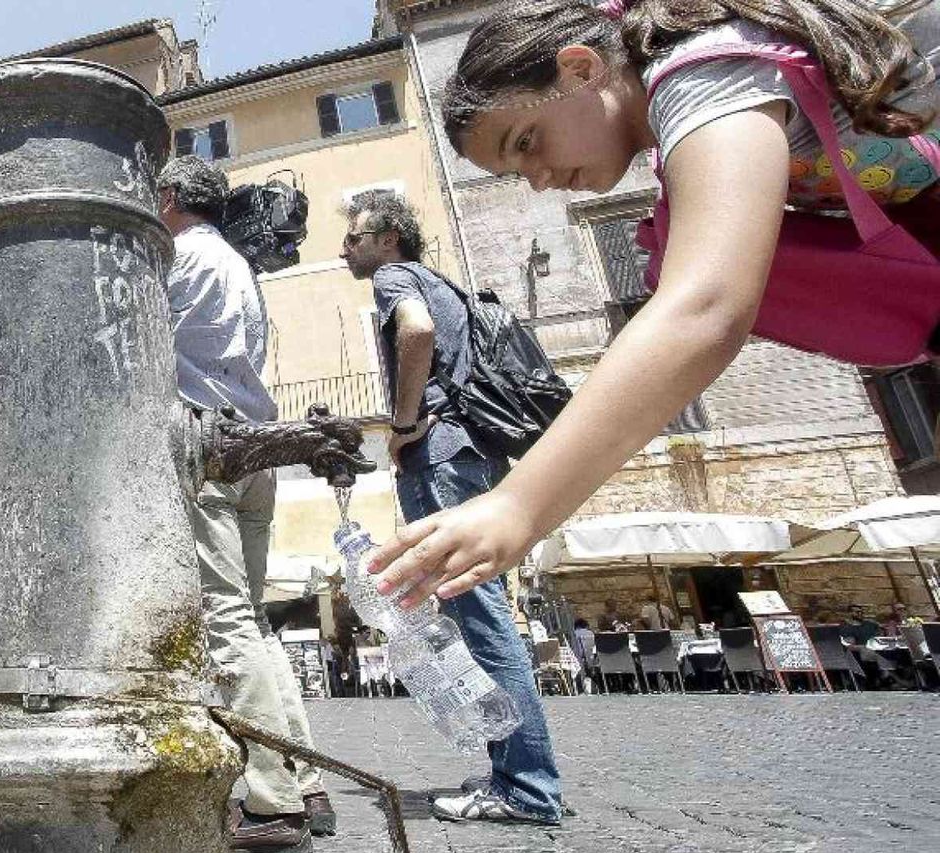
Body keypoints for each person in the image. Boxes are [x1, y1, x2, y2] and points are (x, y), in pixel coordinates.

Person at [369, 0, 939, 635]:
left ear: (580, 70)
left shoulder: (703, 75)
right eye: (515, 170)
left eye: (526, 142)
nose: (537, 178)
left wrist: (516, 505)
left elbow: (705, 307)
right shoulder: (690, 109)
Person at [341, 189, 563, 826]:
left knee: (483, 621)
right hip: (474, 452)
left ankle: (526, 788)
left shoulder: (395, 276)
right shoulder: (445, 283)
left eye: (354, 238)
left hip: (438, 453)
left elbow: (415, 331)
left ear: (388, 238)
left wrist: (404, 422)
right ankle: (516, 773)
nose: (345, 250)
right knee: (484, 616)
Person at [157, 155, 333, 853]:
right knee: (253, 620)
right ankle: (307, 781)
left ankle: (273, 802)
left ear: (168, 196)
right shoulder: (235, 262)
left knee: (226, 618)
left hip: (206, 445)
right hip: (255, 442)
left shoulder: (173, 259)